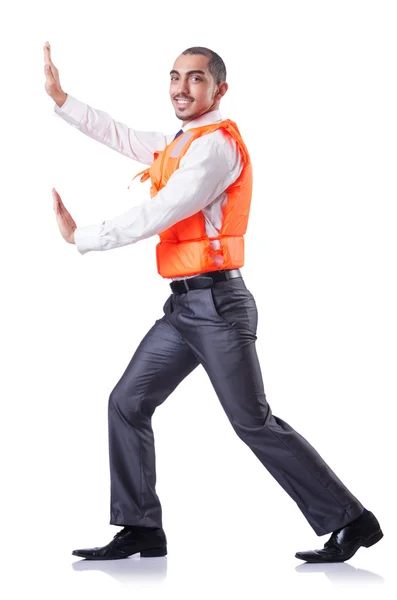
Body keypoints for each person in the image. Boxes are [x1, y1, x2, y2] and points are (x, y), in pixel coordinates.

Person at [44, 41, 383, 563]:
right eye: (175, 77)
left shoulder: (214, 149)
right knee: (127, 403)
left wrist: (83, 236)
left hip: (219, 308)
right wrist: (63, 99)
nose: (181, 87)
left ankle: (352, 521)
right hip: (182, 311)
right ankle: (140, 528)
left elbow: (161, 210)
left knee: (253, 422)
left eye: (195, 79)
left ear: (219, 89)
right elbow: (124, 136)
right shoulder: (184, 140)